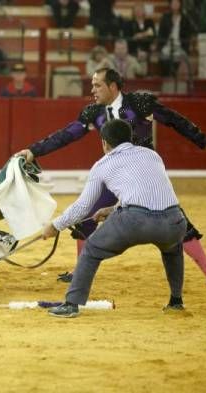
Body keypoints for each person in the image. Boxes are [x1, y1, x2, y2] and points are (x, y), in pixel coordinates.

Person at [16, 67, 206, 286]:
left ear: (113, 86)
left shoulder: (139, 104)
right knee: (86, 218)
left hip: (145, 177)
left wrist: (204, 141)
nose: (92, 90)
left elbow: (175, 120)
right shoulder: (94, 112)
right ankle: (81, 270)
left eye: (97, 85)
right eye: (92, 85)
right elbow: (66, 135)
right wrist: (34, 151)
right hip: (114, 176)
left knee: (177, 220)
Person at [43, 119, 187, 318]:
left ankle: (71, 304)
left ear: (105, 143)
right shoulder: (151, 155)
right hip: (174, 221)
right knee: (173, 250)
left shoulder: (102, 165)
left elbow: (83, 207)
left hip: (135, 222)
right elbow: (148, 190)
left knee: (91, 248)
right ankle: (176, 301)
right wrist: (113, 209)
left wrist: (55, 225)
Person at [157, 0, 195, 77]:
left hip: (180, 46)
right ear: (170, 4)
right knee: (164, 60)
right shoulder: (165, 17)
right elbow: (161, 33)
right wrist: (160, 47)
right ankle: (167, 79)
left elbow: (188, 35)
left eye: (177, 3)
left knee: (179, 60)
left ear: (180, 4)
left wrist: (186, 48)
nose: (175, 5)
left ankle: (174, 78)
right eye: (173, 3)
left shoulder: (185, 18)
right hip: (167, 45)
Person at [124, 2, 156, 71]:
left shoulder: (149, 22)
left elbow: (152, 34)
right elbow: (128, 37)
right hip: (133, 49)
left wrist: (140, 35)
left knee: (149, 54)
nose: (138, 12)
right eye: (136, 10)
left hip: (147, 48)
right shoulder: (129, 23)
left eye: (140, 10)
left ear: (144, 11)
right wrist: (145, 34)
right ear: (134, 12)